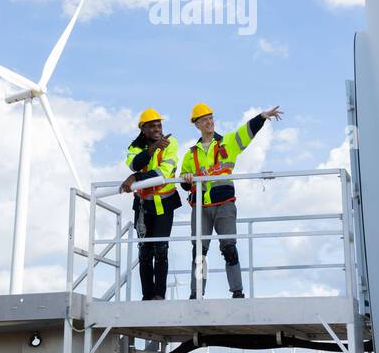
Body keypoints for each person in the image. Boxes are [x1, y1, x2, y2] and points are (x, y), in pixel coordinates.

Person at [179, 103, 283, 298]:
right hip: (200, 207)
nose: (209, 122)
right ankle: (196, 294)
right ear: (197, 125)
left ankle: (237, 292)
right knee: (199, 253)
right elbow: (183, 181)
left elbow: (246, 132)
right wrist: (186, 179)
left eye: (210, 117)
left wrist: (261, 117)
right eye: (204, 119)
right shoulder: (190, 154)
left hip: (224, 204)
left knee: (229, 248)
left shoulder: (228, 142)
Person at [120, 109, 182, 300]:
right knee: (144, 252)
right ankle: (147, 296)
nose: (157, 129)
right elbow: (134, 164)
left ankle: (159, 295)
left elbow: (163, 174)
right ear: (143, 129)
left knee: (161, 249)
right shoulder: (134, 147)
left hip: (165, 204)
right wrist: (152, 149)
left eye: (159, 125)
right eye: (152, 126)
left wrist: (136, 177)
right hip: (143, 206)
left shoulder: (170, 144)